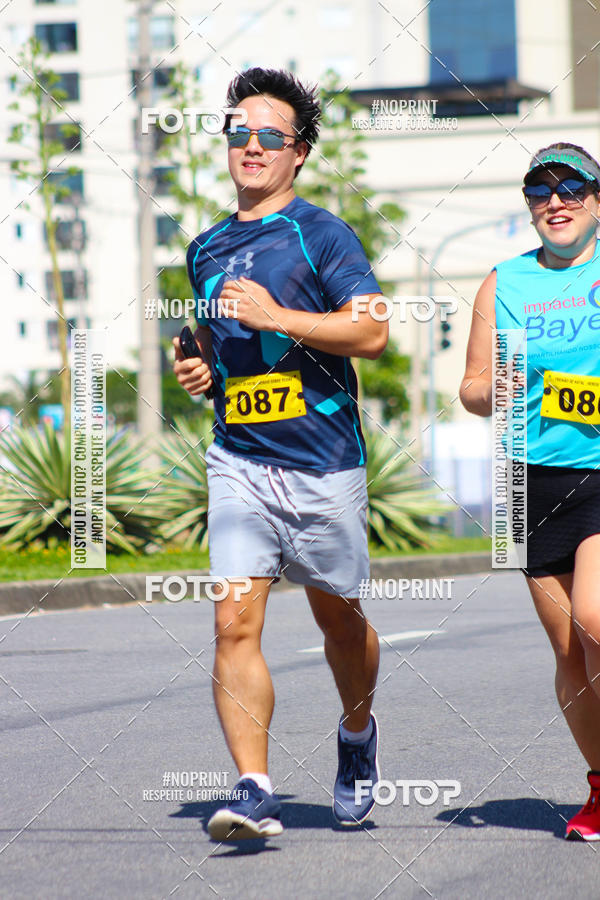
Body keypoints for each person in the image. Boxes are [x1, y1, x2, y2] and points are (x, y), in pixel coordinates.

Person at [172, 67, 388, 841]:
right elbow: (219, 348)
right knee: (233, 622)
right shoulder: (204, 248)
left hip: (323, 463)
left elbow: (372, 330)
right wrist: (199, 367)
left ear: (298, 153)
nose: (253, 145)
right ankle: (254, 787)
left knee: (340, 623)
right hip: (237, 461)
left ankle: (357, 732)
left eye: (271, 134)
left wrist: (280, 316)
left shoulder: (323, 234)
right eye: (240, 132)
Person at [460, 141, 600, 841]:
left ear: (596, 200)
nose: (556, 201)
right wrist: (500, 386)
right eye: (540, 191)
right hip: (525, 481)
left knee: (594, 618)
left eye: (571, 188)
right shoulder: (503, 282)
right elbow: (470, 390)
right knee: (570, 655)